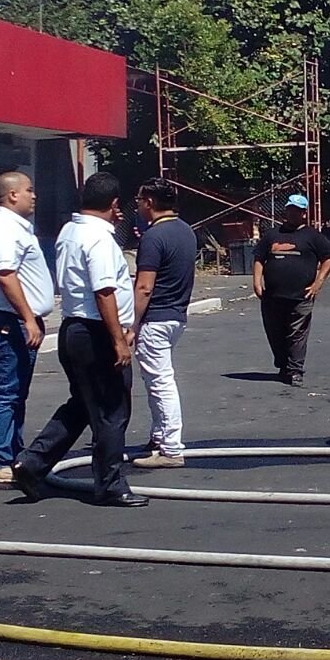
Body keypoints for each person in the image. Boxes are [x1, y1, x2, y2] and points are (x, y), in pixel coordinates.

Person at [12, 172, 146, 507]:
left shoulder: (70, 231)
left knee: (83, 404)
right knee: (113, 410)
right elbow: (104, 292)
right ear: (115, 205)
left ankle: (33, 463)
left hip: (74, 328)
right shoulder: (99, 239)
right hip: (96, 332)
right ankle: (111, 484)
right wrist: (119, 339)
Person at [0, 171, 55, 485]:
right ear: (12, 195)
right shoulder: (4, 229)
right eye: (29, 190)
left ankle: (12, 452)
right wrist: (28, 317)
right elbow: (5, 274)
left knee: (17, 392)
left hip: (17, 320)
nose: (34, 196)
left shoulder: (17, 227)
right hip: (8, 321)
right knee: (6, 392)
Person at [131, 177, 197, 468]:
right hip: (176, 315)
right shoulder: (186, 232)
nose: (137, 206)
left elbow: (144, 286)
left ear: (149, 202)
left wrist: (131, 324)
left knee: (159, 381)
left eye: (139, 201)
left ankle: (171, 447)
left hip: (155, 317)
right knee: (156, 379)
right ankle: (159, 437)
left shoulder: (153, 238)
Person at [253, 194, 330, 387]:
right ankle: (283, 365)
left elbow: (329, 257)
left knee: (297, 333)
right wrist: (257, 281)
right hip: (272, 296)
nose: (292, 214)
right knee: (276, 333)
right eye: (290, 209)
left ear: (304, 213)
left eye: (297, 211)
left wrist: (318, 282)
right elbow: (259, 257)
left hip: (301, 296)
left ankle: (295, 369)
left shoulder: (312, 236)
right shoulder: (272, 235)